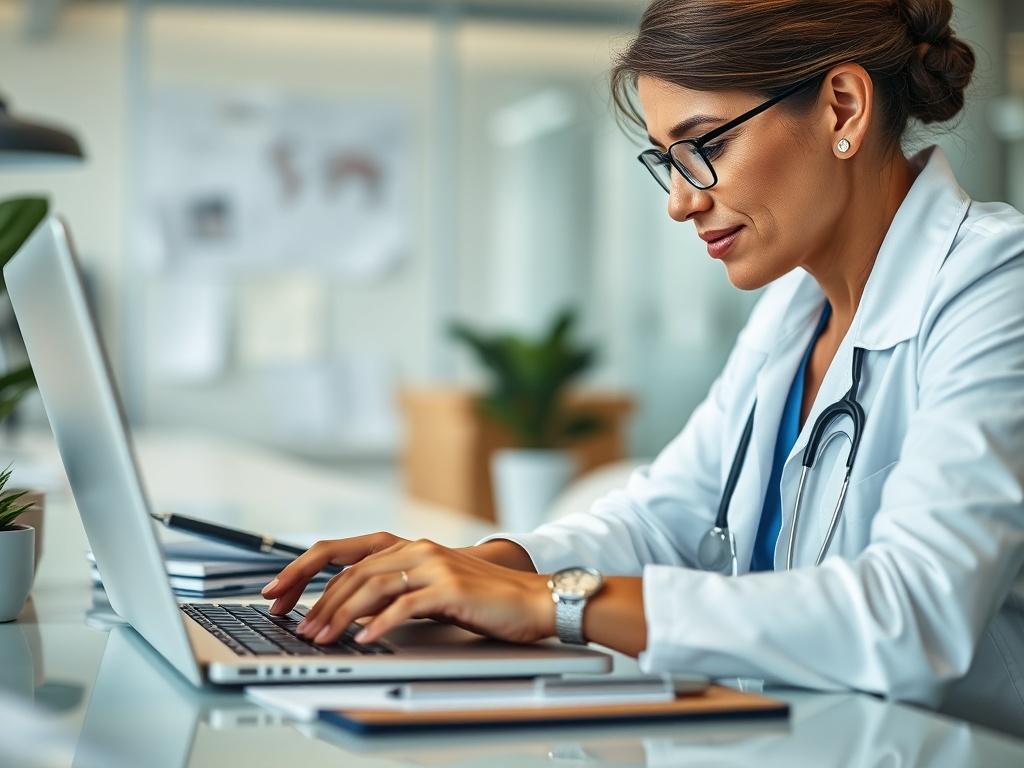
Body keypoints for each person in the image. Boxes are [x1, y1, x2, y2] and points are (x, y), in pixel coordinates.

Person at [262, 0, 1024, 736]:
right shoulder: (794, 312)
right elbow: (667, 515)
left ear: (843, 108)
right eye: (670, 161)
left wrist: (556, 603)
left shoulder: (997, 283)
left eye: (707, 147)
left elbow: (918, 612)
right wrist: (479, 568)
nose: (681, 204)